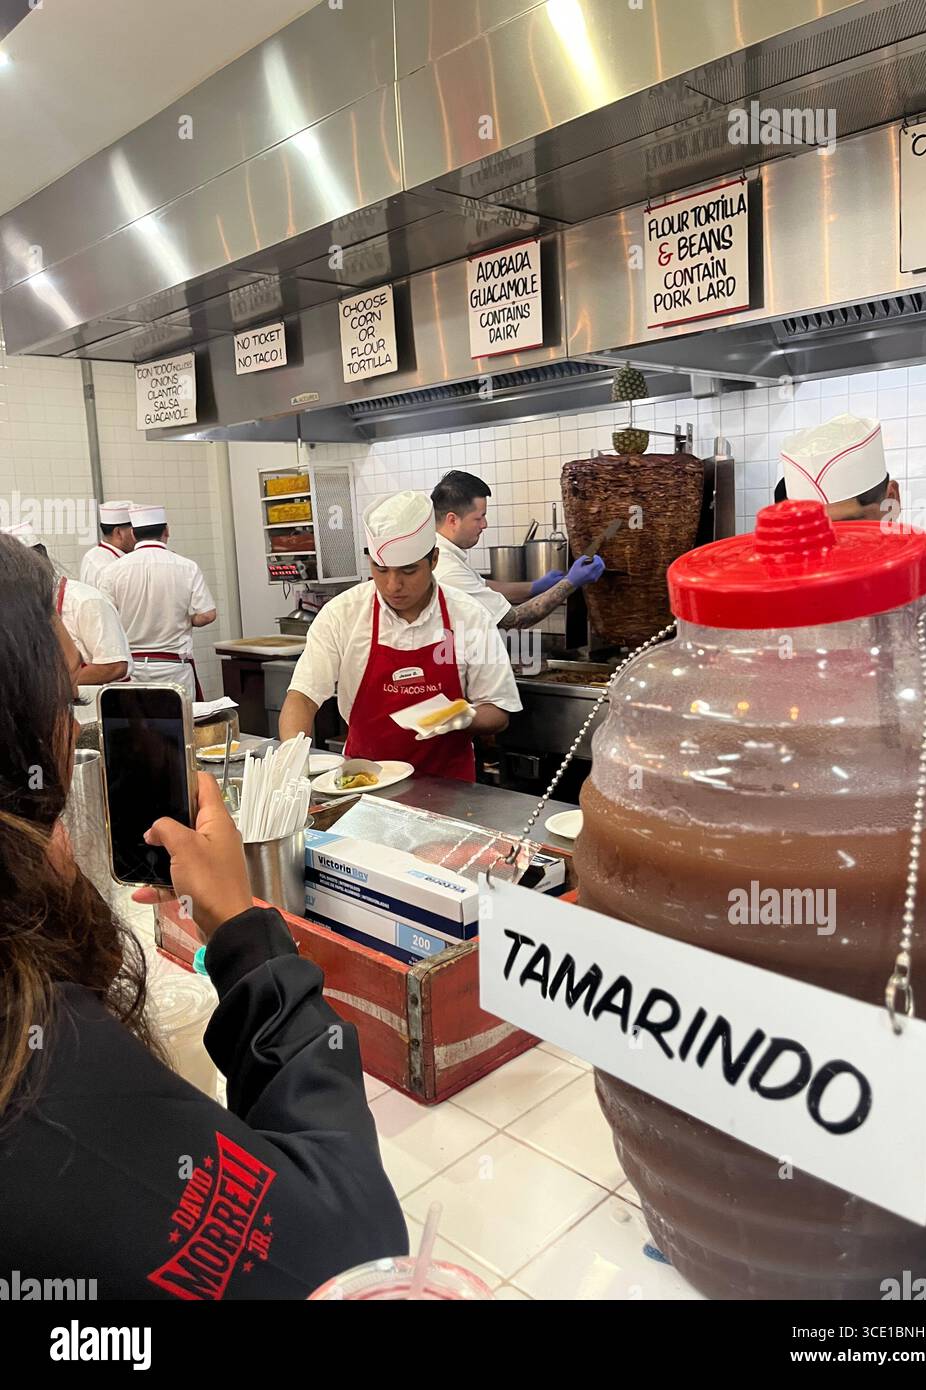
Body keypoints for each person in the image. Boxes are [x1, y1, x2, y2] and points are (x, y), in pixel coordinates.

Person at [0, 532, 407, 1298]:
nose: (71, 730)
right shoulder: (33, 1061)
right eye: (60, 701)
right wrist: (244, 931)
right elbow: (349, 1253)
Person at [279, 491, 521, 782]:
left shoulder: (469, 616)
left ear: (433, 559)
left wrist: (465, 716)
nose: (393, 585)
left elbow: (498, 710)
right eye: (381, 570)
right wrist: (292, 765)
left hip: (451, 788)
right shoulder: (343, 614)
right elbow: (302, 698)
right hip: (364, 783)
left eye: (408, 570)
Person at [774, 413, 926, 648]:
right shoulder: (792, 594)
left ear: (892, 500)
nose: (830, 547)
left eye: (850, 525)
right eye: (811, 531)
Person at [432, 471, 605, 628]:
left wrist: (536, 586)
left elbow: (488, 587)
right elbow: (513, 620)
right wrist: (570, 583)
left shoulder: (447, 555)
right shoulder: (448, 569)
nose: (485, 525)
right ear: (452, 520)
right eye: (479, 517)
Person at [2, 522, 132, 722]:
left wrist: (46, 684)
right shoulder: (19, 610)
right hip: (51, 715)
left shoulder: (86, 601)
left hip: (99, 715)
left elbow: (115, 666)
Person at [102, 504, 217, 701]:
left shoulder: (112, 570)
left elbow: (106, 619)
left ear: (134, 535)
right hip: (174, 669)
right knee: (181, 728)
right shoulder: (186, 567)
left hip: (132, 669)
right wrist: (186, 619)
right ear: (166, 531)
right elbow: (207, 614)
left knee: (138, 729)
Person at [79, 499, 135, 588]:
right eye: (134, 531)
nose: (137, 536)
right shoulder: (104, 566)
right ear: (118, 533)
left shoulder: (93, 555)